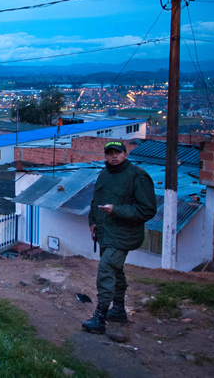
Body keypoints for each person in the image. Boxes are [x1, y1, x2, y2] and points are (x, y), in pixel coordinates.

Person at [84, 140, 156, 334]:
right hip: (105, 232)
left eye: (118, 152)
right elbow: (95, 202)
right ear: (105, 156)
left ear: (126, 154)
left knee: (106, 268)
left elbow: (147, 210)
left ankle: (99, 318)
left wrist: (117, 210)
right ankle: (117, 311)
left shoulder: (138, 176)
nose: (114, 156)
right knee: (115, 270)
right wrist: (92, 222)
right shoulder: (104, 174)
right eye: (110, 153)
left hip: (124, 234)